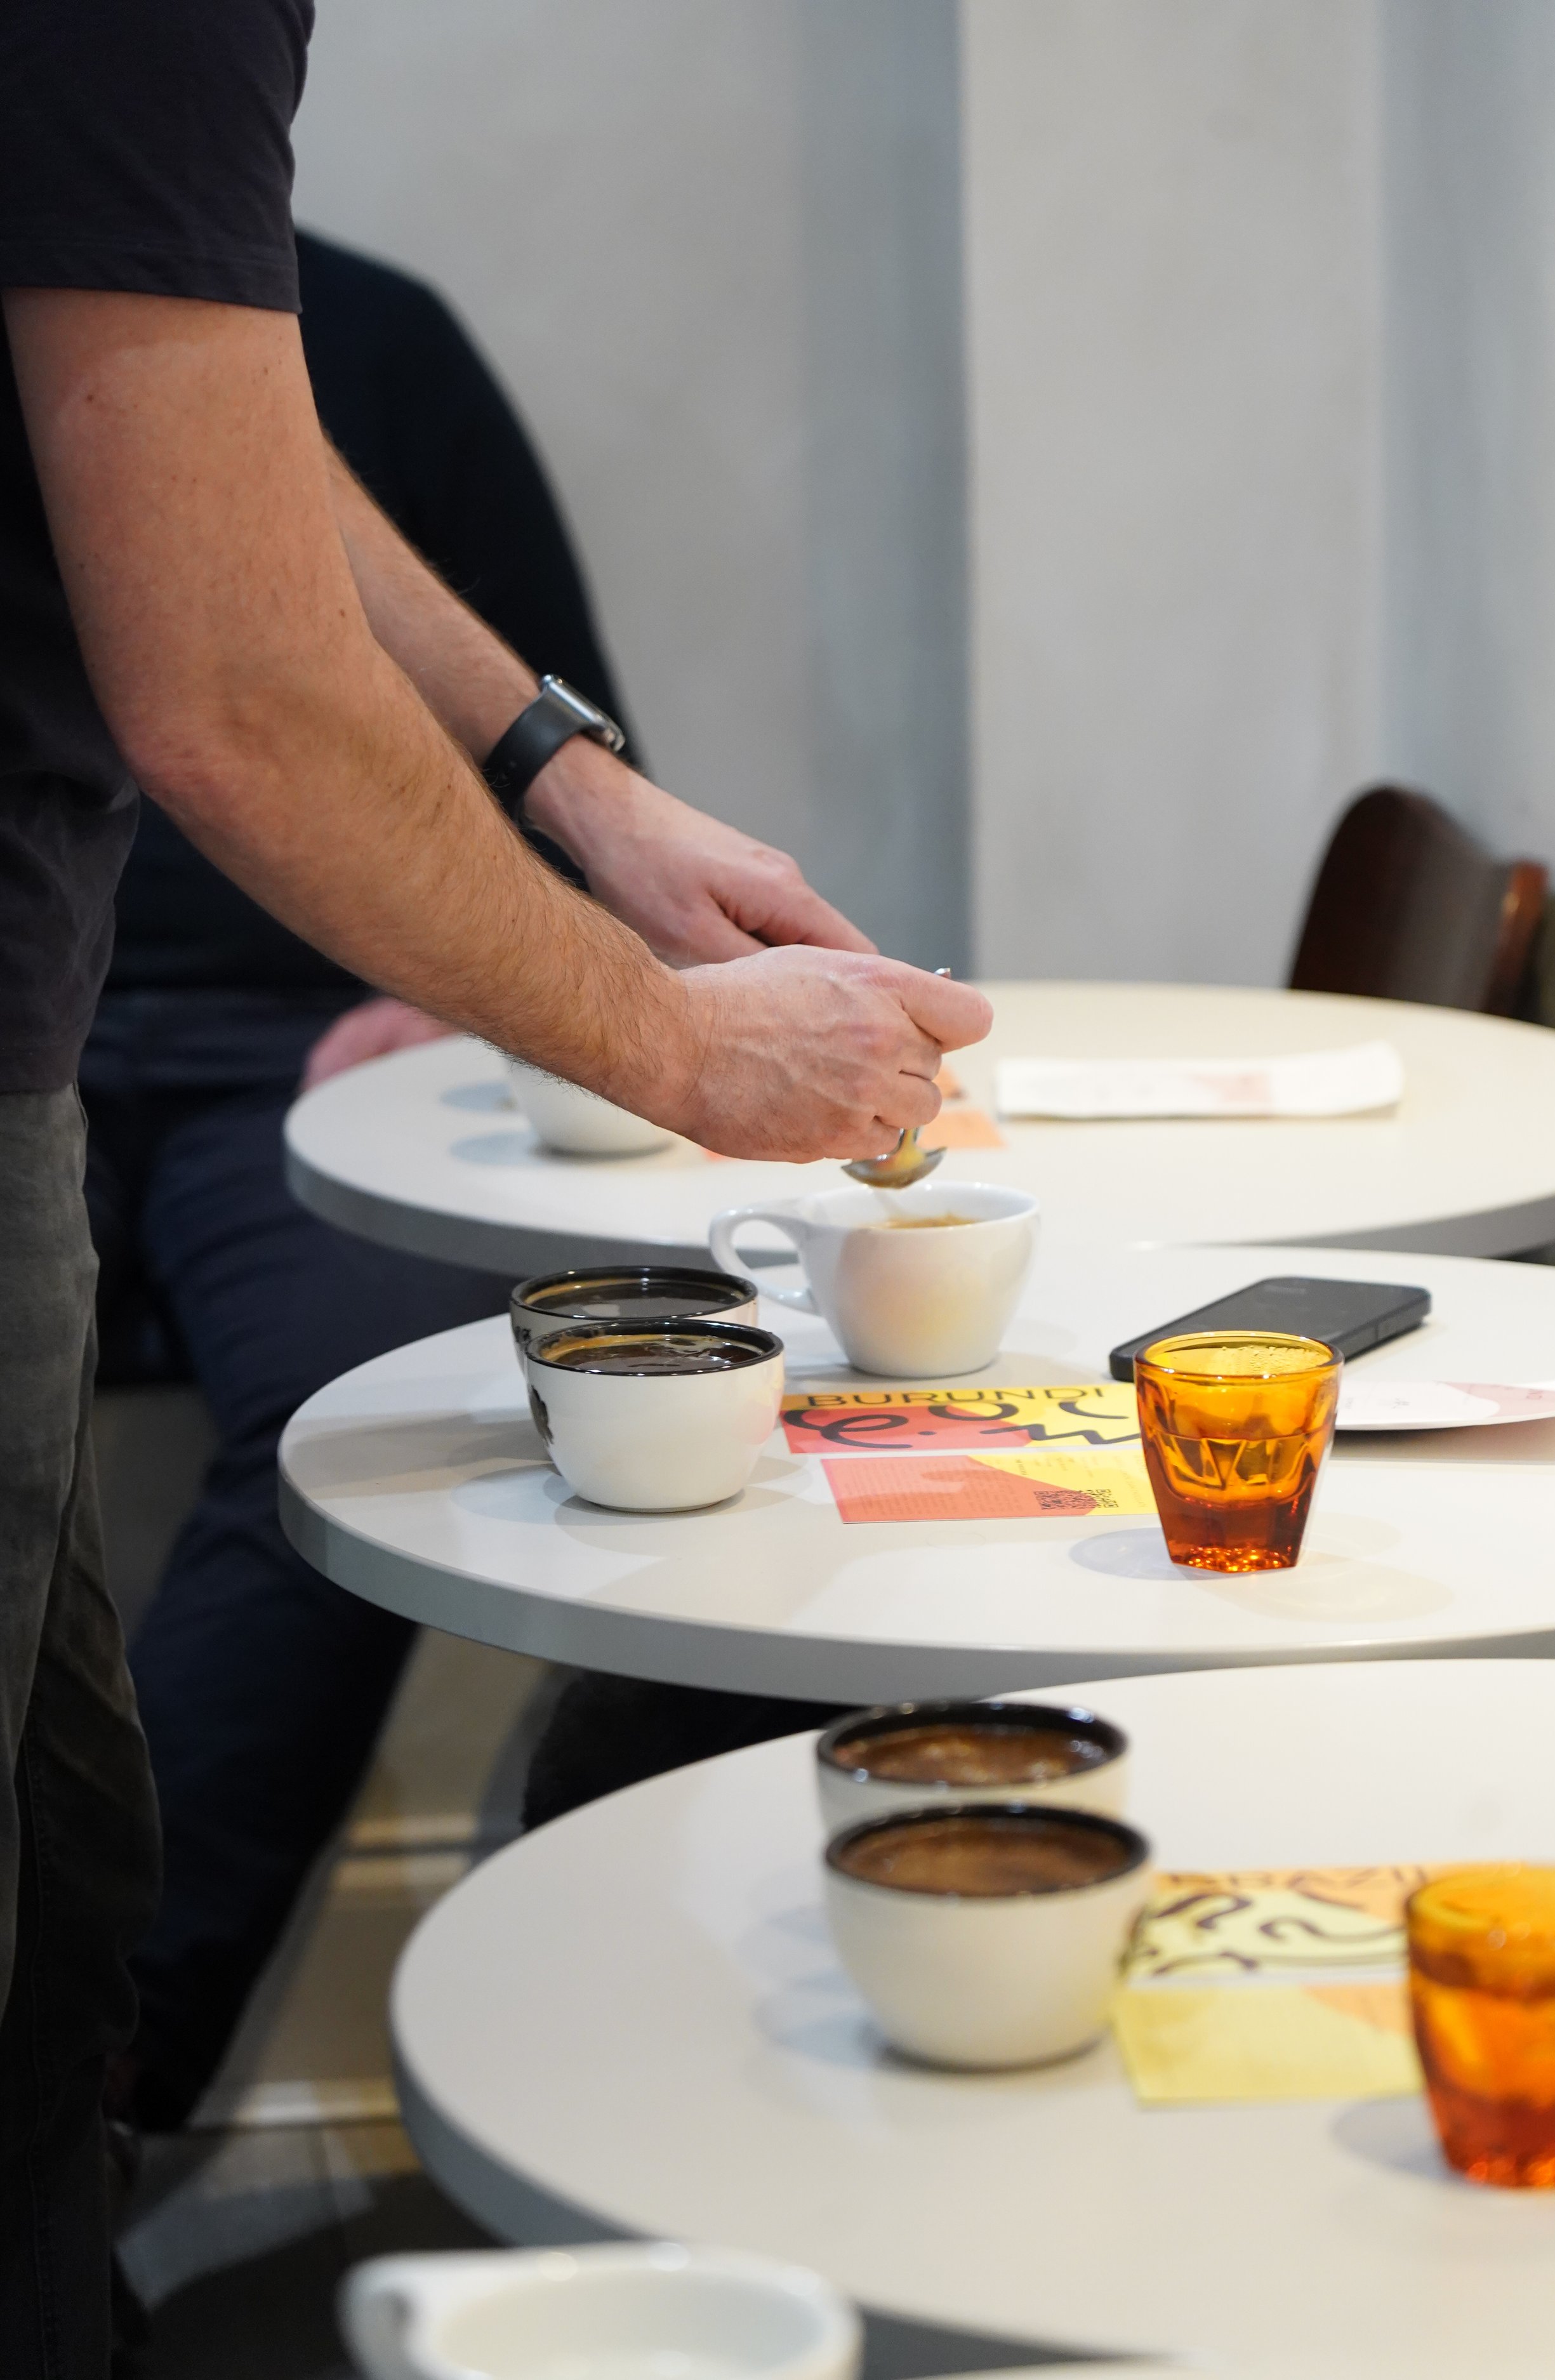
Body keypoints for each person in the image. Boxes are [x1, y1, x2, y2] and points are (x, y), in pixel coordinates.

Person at [0, 8, 991, 2376]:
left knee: (57, 1923)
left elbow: (201, 440)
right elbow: (232, 694)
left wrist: (569, 779)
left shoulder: (287, 280)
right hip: (68, 1010)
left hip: (145, 1022)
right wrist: (668, 1043)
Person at [85, 223, 638, 2137]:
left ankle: (101, 2063)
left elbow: (575, 769)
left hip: (295, 1036)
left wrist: (463, 982)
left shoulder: (373, 338)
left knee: (370, 1416)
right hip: (29, 1019)